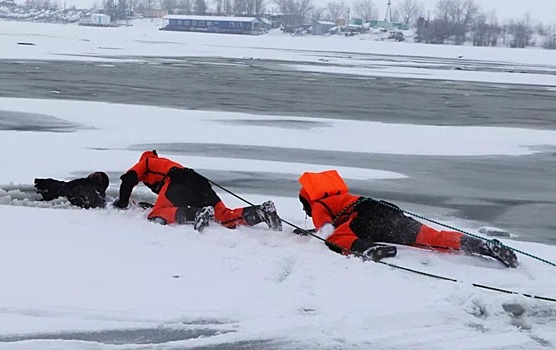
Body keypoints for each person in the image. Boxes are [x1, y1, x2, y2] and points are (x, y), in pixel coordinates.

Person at [297, 169, 518, 268]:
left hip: (363, 218)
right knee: (432, 237)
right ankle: (481, 245)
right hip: (385, 211)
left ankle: (367, 249)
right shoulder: (344, 196)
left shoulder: (319, 204)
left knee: (338, 237)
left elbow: (327, 231)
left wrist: (321, 234)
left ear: (308, 200)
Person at [113, 150, 282, 232]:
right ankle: (261, 212)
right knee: (224, 216)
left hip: (178, 181)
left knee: (156, 214)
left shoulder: (147, 162)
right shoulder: (165, 163)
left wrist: (121, 204)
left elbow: (128, 180)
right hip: (198, 181)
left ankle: (196, 214)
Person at [34, 171, 109, 209]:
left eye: (96, 175)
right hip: (69, 196)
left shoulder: (94, 189)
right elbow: (65, 186)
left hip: (73, 201)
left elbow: (65, 187)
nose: (92, 174)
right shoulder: (84, 183)